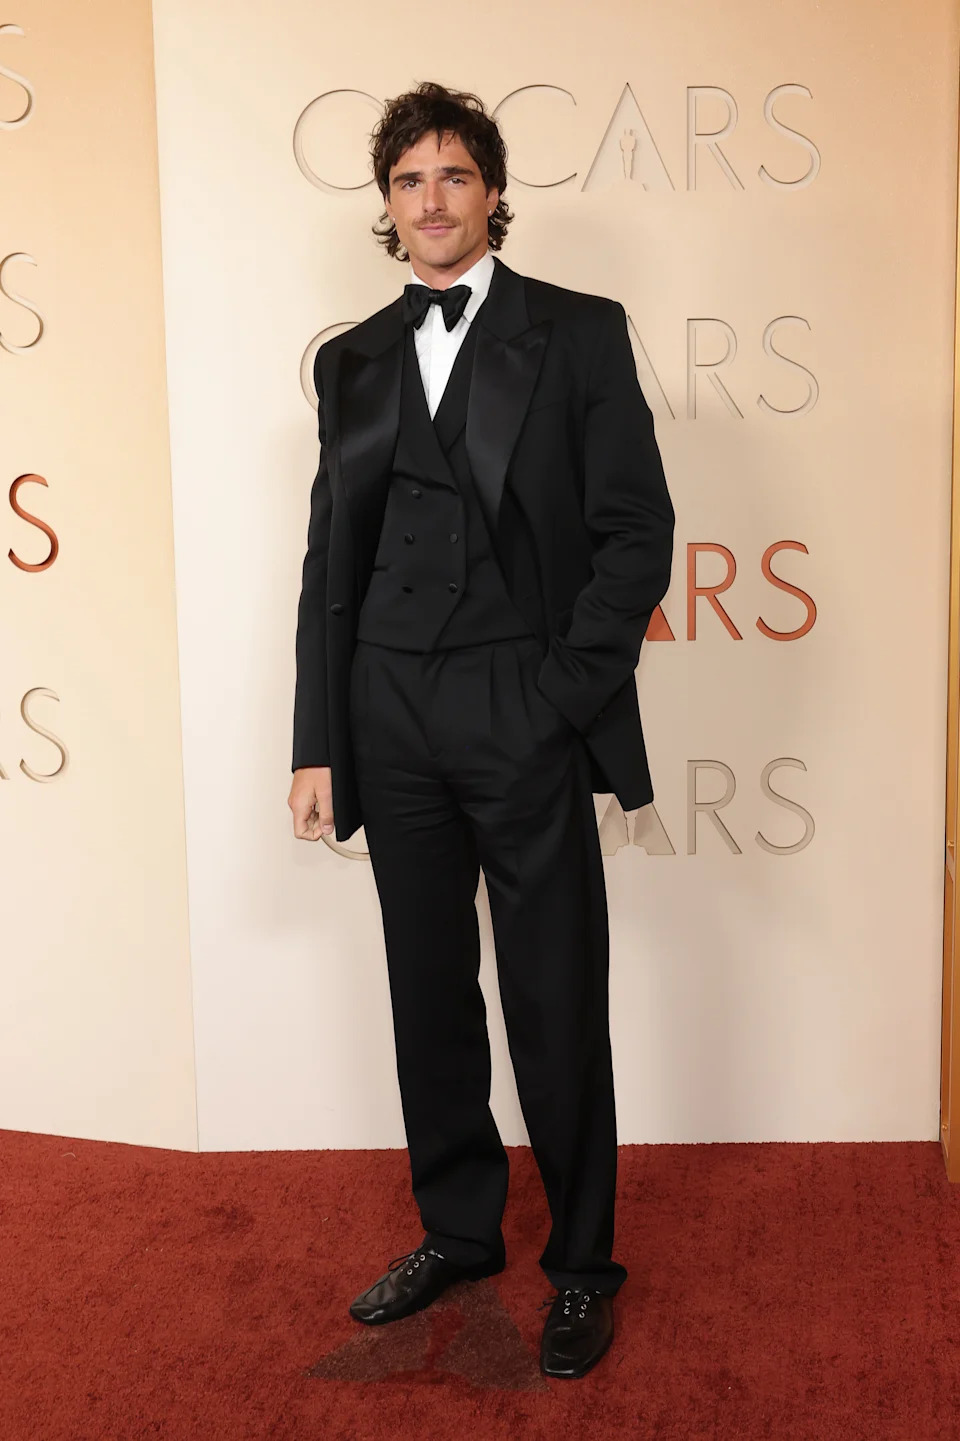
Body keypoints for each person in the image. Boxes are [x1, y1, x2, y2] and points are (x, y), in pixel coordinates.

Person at [287, 79, 674, 1381]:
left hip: (519, 698)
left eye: (456, 176)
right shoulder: (349, 361)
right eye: (410, 179)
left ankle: (582, 1265)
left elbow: (634, 532)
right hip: (386, 706)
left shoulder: (574, 334)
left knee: (554, 994)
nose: (433, 200)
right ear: (387, 205)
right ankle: (459, 1227)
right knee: (425, 990)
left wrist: (561, 694)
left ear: (493, 194)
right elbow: (326, 560)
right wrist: (316, 736)